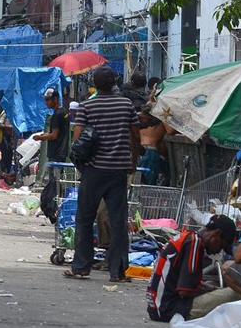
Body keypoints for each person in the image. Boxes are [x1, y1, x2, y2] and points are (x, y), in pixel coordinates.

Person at [63, 66, 140, 282]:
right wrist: (132, 162)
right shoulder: (126, 105)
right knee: (117, 222)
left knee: (85, 218)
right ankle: (117, 271)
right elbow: (135, 136)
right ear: (114, 82)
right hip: (118, 171)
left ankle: (80, 267)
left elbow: (77, 140)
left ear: (95, 85)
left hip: (93, 170)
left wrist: (82, 165)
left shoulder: (87, 107)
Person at [147, 215, 240, 321]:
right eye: (221, 246)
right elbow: (185, 291)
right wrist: (210, 291)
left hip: (156, 308)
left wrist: (209, 288)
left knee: (212, 287)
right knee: (235, 293)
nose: (219, 251)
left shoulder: (186, 237)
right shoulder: (194, 243)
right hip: (169, 309)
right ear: (216, 234)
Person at [32, 88, 70, 163]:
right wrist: (44, 135)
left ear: (55, 99)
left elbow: (54, 135)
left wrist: (40, 138)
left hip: (56, 153)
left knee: (55, 174)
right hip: (62, 152)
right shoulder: (64, 111)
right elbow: (58, 132)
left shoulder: (56, 115)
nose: (46, 103)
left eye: (47, 100)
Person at [137, 104, 170, 186]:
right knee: (149, 184)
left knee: (138, 182)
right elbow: (171, 131)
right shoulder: (161, 119)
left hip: (138, 151)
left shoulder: (136, 118)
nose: (150, 125)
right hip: (150, 152)